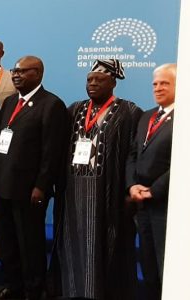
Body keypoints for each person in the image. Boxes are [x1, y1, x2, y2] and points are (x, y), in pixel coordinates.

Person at [55, 59, 142, 299]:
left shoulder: (129, 112)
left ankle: (102, 292)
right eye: (89, 79)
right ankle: (75, 290)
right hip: (74, 190)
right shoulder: (75, 109)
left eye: (99, 80)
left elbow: (133, 155)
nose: (92, 84)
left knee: (107, 243)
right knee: (73, 241)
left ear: (113, 82)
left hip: (108, 193)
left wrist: (127, 189)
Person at [0, 56, 68, 300]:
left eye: (22, 71)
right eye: (14, 71)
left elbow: (51, 151)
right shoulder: (10, 102)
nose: (16, 75)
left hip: (29, 190)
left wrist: (41, 185)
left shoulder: (51, 104)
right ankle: (13, 286)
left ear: (38, 74)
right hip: (2, 184)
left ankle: (34, 290)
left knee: (29, 244)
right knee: (6, 240)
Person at [127, 63, 176, 300]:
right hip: (142, 204)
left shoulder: (187, 118)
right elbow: (133, 154)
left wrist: (154, 190)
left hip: (166, 206)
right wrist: (132, 185)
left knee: (166, 266)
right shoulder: (147, 116)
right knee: (148, 267)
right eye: (155, 83)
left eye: (164, 83)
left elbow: (184, 161)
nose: (157, 88)